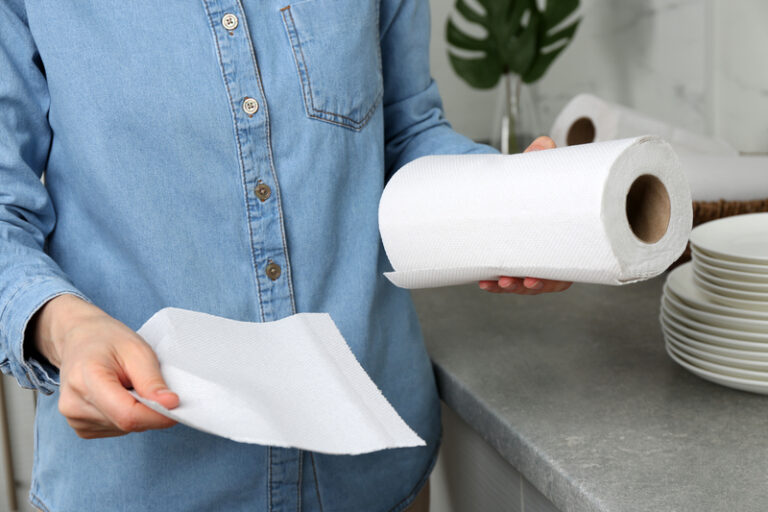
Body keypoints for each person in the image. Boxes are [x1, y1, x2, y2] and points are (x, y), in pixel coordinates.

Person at [0, 1, 570, 510]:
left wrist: (508, 204)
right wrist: (67, 330)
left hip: (375, 473)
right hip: (145, 484)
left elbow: (405, 130)